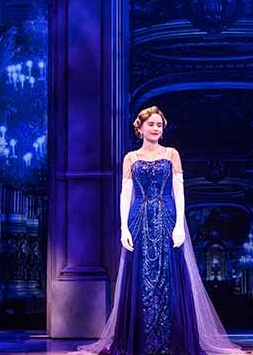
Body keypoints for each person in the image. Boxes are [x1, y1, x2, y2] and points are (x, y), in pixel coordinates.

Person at [79, 106, 241, 355]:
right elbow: (125, 194)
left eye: (159, 125)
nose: (156, 128)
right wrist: (124, 227)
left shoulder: (172, 154)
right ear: (140, 127)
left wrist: (179, 226)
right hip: (139, 219)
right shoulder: (131, 158)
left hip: (166, 217)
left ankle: (173, 342)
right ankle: (138, 342)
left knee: (170, 276)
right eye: (152, 124)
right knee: (138, 276)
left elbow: (179, 192)